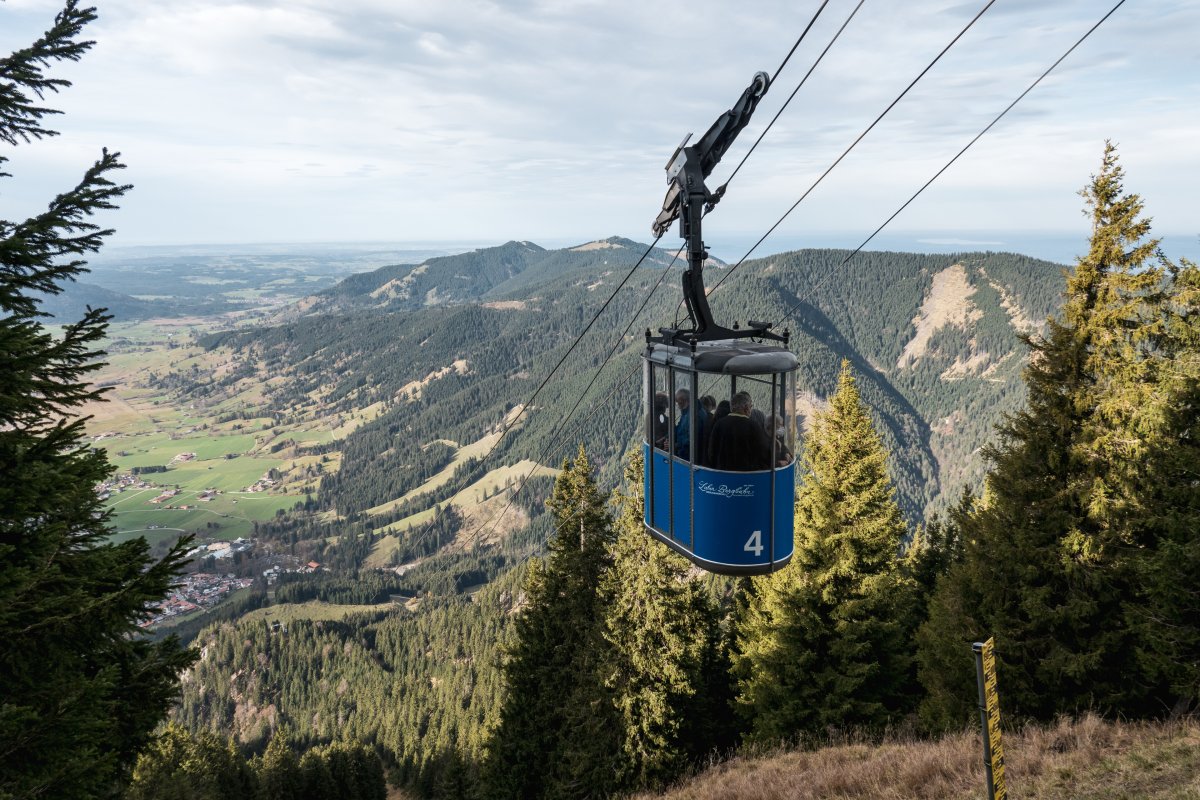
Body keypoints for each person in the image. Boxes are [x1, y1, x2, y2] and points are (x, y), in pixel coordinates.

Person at [707, 391, 771, 471]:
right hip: (745, 477)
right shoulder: (753, 426)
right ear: (746, 407)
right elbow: (763, 453)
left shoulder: (719, 424)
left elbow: (711, 453)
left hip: (723, 475)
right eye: (751, 406)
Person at [673, 388, 707, 462]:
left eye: (677, 402)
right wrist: (669, 438)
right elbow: (679, 428)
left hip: (689, 458)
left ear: (682, 401)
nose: (676, 404)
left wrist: (675, 445)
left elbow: (692, 439)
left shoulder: (694, 415)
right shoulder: (687, 412)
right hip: (685, 454)